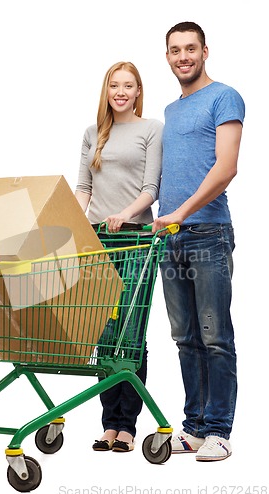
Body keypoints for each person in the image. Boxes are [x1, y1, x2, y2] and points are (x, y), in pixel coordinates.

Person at [152, 21, 245, 461]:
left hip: (207, 232)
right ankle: (193, 428)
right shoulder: (171, 110)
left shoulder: (225, 97)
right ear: (167, 56)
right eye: (175, 50)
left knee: (215, 336)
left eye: (191, 48)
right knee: (185, 337)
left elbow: (227, 166)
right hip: (169, 237)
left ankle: (219, 430)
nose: (183, 56)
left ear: (205, 51)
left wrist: (182, 213)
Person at [75, 61, 163, 452]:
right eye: (115, 85)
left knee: (130, 331)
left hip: (136, 239)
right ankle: (108, 423)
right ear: (106, 91)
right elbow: (83, 186)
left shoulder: (151, 129)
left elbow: (151, 187)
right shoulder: (93, 133)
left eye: (129, 85)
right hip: (98, 241)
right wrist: (74, 225)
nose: (121, 92)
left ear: (138, 91)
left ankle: (127, 425)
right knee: (102, 331)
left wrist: (125, 215)